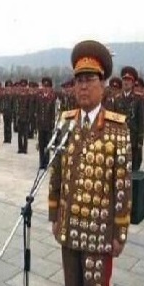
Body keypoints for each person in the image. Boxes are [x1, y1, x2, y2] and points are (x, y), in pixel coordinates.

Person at [49, 40, 132, 286]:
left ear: (103, 84)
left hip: (100, 232)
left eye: (89, 80)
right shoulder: (66, 122)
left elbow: (123, 186)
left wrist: (120, 232)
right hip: (69, 227)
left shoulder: (117, 128)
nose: (83, 87)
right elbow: (57, 173)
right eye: (79, 80)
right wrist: (54, 216)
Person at [114, 66, 144, 171]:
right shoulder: (117, 99)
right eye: (124, 80)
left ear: (133, 83)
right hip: (120, 138)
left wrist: (140, 139)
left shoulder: (138, 99)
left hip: (133, 139)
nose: (126, 82)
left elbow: (141, 120)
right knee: (120, 168)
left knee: (134, 168)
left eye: (129, 80)